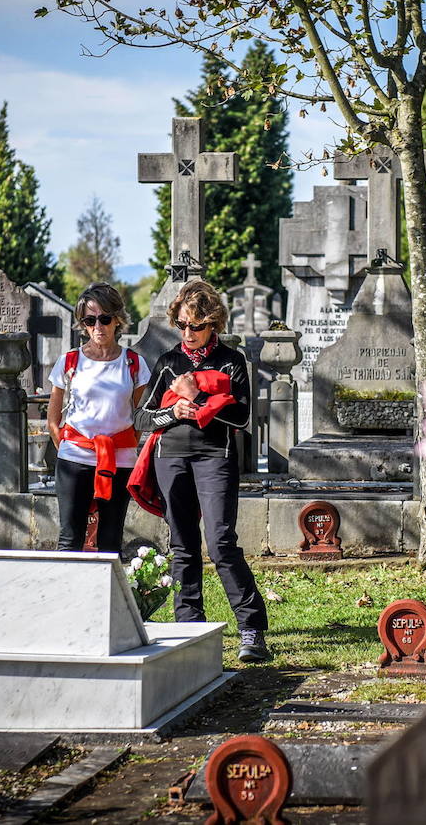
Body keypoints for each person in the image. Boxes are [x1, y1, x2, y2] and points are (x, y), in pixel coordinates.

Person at [132, 280, 271, 663]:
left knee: (221, 541)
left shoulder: (230, 360)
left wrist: (199, 397)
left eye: (195, 325)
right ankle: (188, 629)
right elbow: (141, 416)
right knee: (182, 546)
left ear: (213, 323)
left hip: (215, 457)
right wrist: (172, 411)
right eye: (181, 325)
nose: (187, 333)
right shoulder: (169, 362)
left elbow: (241, 416)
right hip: (169, 457)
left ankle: (252, 628)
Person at [46, 283, 150, 554]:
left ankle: (106, 596)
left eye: (104, 319)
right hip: (75, 458)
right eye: (90, 320)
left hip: (119, 459)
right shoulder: (69, 361)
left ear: (117, 319)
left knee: (111, 540)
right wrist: (73, 449)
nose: (98, 327)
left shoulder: (133, 364)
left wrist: (120, 446)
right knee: (70, 539)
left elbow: (137, 417)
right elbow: (53, 420)